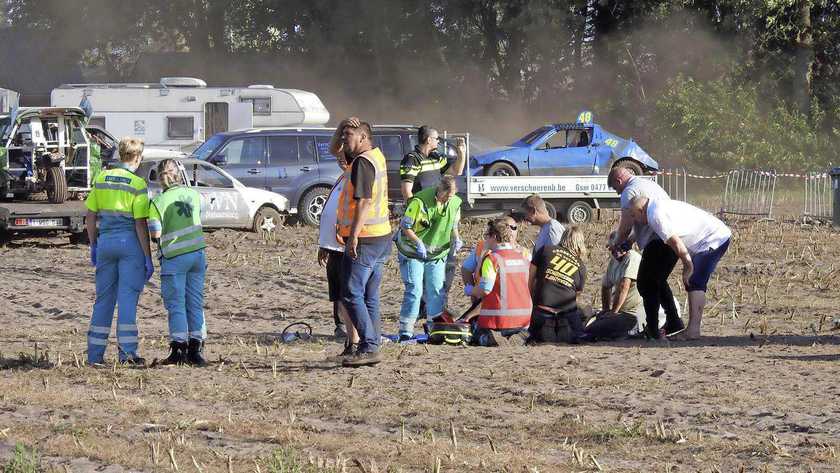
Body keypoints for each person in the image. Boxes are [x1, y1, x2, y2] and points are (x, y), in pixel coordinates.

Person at [85, 137, 153, 366]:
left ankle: (94, 355)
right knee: (126, 300)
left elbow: (91, 215)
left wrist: (94, 244)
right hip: (129, 245)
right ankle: (127, 354)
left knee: (103, 300)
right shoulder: (138, 184)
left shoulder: (101, 178)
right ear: (136, 157)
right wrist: (147, 256)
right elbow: (140, 223)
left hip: (105, 244)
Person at [628, 196, 731, 340]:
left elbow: (677, 244)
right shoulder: (655, 206)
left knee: (694, 281)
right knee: (694, 281)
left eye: (633, 215)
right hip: (710, 236)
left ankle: (693, 331)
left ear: (641, 210)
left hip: (714, 238)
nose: (634, 220)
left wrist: (688, 267)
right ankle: (684, 326)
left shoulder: (654, 216)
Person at [337, 119, 392, 367]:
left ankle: (369, 345)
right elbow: (334, 150)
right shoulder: (376, 156)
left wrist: (354, 236)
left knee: (350, 292)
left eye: (349, 135)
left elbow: (364, 202)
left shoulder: (362, 163)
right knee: (369, 295)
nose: (344, 139)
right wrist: (340, 127)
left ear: (362, 137)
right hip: (381, 235)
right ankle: (373, 344)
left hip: (367, 238)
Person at [147, 159, 208, 366]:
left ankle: (178, 349)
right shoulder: (194, 195)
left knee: (176, 305)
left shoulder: (157, 202)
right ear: (179, 174)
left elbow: (155, 232)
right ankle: (196, 349)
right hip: (198, 255)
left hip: (174, 258)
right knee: (195, 303)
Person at [608, 167, 680, 339]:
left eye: (615, 188)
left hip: (658, 240)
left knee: (645, 284)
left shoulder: (628, 191)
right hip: (672, 236)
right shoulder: (647, 185)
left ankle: (653, 329)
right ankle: (673, 321)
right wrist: (630, 242)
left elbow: (626, 224)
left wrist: (615, 243)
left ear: (619, 181)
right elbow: (642, 221)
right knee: (657, 281)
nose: (618, 193)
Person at [395, 175, 462, 340]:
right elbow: (406, 226)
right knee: (415, 290)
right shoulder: (419, 202)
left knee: (436, 290)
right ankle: (406, 331)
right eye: (446, 195)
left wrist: (457, 238)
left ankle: (434, 328)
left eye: (451, 196)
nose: (447, 199)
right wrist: (418, 242)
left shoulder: (454, 202)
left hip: (437, 253)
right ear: (439, 190)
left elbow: (453, 223)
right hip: (412, 251)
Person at [464, 218, 532, 346]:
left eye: (487, 236)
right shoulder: (523, 256)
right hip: (524, 320)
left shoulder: (493, 259)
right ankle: (517, 336)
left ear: (494, 236)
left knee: (473, 333)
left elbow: (485, 289)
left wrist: (470, 290)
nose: (485, 240)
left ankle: (491, 338)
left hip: (498, 321)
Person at [528, 226, 588, 344]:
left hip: (542, 310)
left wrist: (532, 303)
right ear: (580, 243)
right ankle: (565, 328)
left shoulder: (545, 249)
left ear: (563, 237)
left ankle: (546, 329)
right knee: (585, 314)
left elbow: (530, 278)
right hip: (567, 312)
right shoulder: (581, 267)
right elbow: (576, 296)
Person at [584, 232, 646, 341]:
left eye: (618, 247)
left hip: (633, 314)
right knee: (588, 318)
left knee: (593, 329)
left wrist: (614, 312)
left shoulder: (632, 258)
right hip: (619, 312)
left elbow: (624, 287)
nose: (615, 251)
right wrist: (606, 309)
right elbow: (605, 286)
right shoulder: (614, 261)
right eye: (612, 248)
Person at [399, 126, 466, 200]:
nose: (438, 141)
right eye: (437, 138)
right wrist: (415, 209)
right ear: (429, 140)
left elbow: (456, 171)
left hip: (435, 207)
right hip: (421, 207)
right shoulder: (412, 159)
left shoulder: (436, 157)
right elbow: (406, 191)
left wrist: (461, 154)